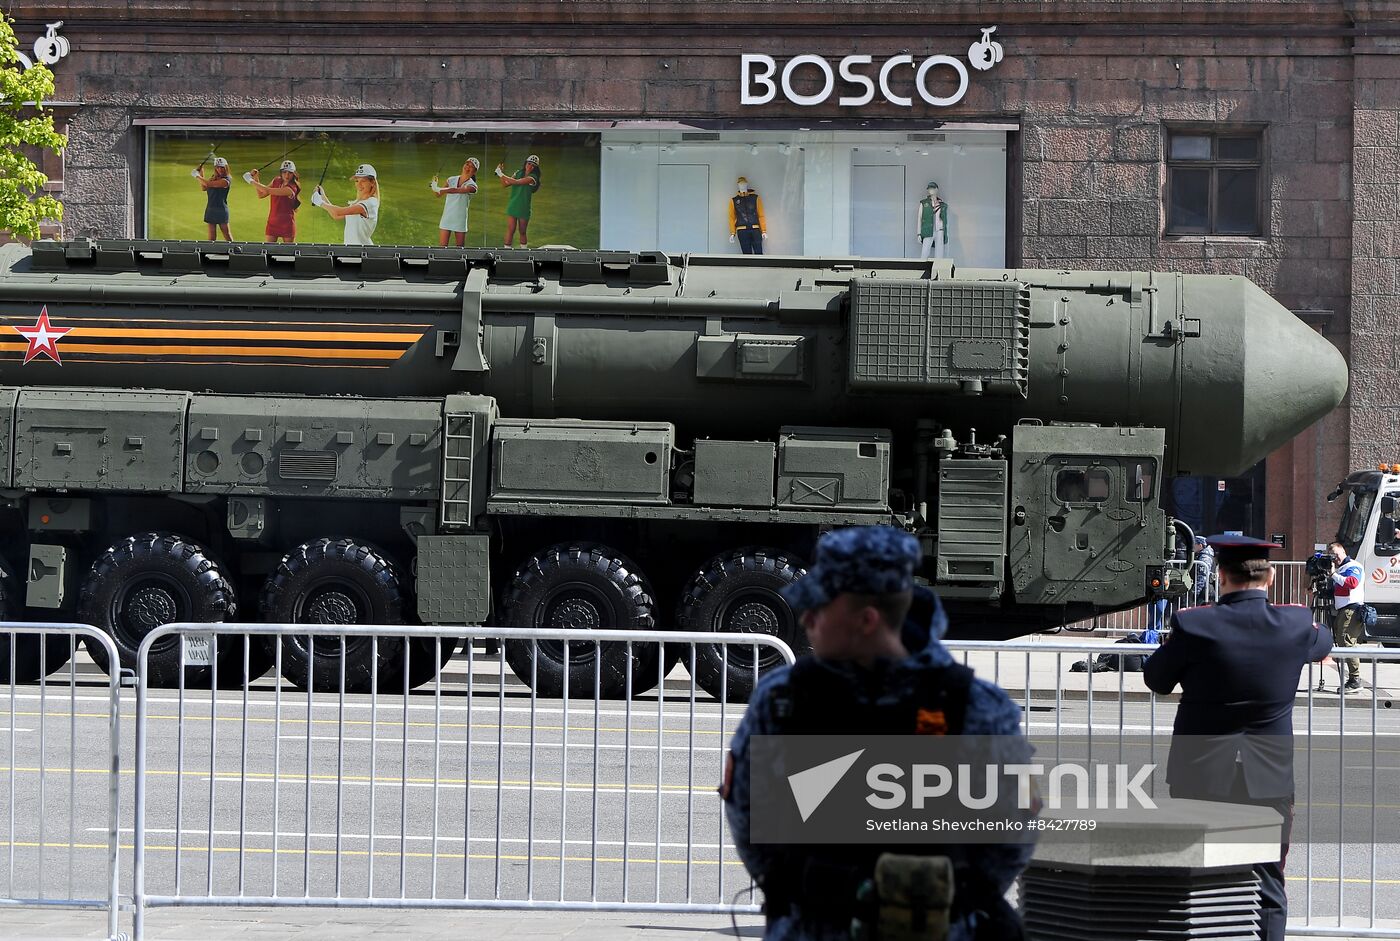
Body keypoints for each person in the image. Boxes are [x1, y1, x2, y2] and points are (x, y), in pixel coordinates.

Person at [722, 526, 1035, 941]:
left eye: (818, 607)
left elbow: (1012, 829)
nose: (806, 618)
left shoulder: (972, 706)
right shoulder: (783, 700)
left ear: (866, 620)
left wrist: (940, 902)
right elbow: (748, 814)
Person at [1143, 535, 1333, 941]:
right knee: (1266, 884)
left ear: (1220, 577)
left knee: (1196, 879)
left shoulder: (1194, 624)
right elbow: (1325, 642)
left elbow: (1156, 678)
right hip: (1267, 778)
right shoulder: (1296, 624)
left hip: (1200, 775)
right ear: (1272, 576)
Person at [1324, 540, 1366, 692]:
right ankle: (1354, 679)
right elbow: (1339, 591)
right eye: (1331, 556)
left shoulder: (1353, 566)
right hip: (1343, 609)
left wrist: (1334, 575)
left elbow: (1352, 583)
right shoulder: (1340, 569)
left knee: (1346, 642)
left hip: (1352, 609)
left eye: (1335, 554)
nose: (1334, 558)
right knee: (1342, 641)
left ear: (1343, 552)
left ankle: (1355, 679)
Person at [312, 163, 380, 246]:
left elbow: (338, 212)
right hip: (350, 250)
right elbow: (336, 215)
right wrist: (323, 196)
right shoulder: (357, 203)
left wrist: (320, 202)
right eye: (357, 181)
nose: (359, 184)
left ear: (372, 182)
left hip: (362, 252)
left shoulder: (370, 203)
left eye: (363, 181)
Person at [247, 159, 301, 243]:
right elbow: (261, 194)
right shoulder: (276, 180)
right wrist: (256, 178)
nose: (287, 175)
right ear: (281, 172)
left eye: (290, 173)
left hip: (287, 224)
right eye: (284, 172)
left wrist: (251, 181)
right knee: (269, 252)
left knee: (288, 253)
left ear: (293, 174)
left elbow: (267, 190)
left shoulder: (291, 188)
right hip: (272, 222)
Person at [495, 154, 541, 248]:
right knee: (510, 230)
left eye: (533, 165)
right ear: (525, 163)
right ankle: (506, 252)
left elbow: (516, 182)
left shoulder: (532, 178)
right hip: (513, 205)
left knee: (522, 231)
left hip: (523, 207)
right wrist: (501, 173)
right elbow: (505, 184)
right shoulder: (518, 172)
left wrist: (500, 173)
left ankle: (523, 253)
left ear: (535, 168)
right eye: (529, 163)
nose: (530, 166)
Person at [432, 157, 479, 247]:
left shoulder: (473, 186)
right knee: (442, 249)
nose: (468, 167)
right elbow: (438, 195)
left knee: (460, 250)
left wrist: (438, 188)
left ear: (475, 171)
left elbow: (456, 190)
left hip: (460, 219)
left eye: (471, 166)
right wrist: (435, 185)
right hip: (447, 217)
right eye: (467, 164)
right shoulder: (451, 179)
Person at [193, 156, 233, 241]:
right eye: (218, 167)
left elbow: (208, 184)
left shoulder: (226, 180)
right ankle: (211, 253)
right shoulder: (214, 177)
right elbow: (204, 188)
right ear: (215, 168)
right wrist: (201, 173)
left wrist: (197, 176)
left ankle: (235, 252)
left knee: (227, 235)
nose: (220, 169)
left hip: (221, 210)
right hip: (211, 209)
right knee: (211, 237)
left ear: (226, 167)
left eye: (222, 167)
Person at [728, 177, 768, 254]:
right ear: (738, 185)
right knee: (746, 254)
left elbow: (761, 215)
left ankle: (760, 265)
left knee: (759, 252)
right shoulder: (734, 200)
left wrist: (763, 231)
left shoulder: (755, 198)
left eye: (744, 184)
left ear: (747, 184)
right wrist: (733, 233)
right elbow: (731, 217)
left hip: (755, 228)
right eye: (740, 184)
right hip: (742, 230)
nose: (742, 186)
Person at [915, 181, 949, 260]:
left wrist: (945, 234)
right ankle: (922, 269)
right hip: (928, 230)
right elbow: (919, 219)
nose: (931, 190)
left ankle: (938, 270)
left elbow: (945, 222)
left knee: (939, 253)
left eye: (933, 188)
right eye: (929, 189)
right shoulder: (924, 203)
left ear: (937, 189)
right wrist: (919, 233)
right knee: (925, 252)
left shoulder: (942, 205)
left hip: (939, 231)